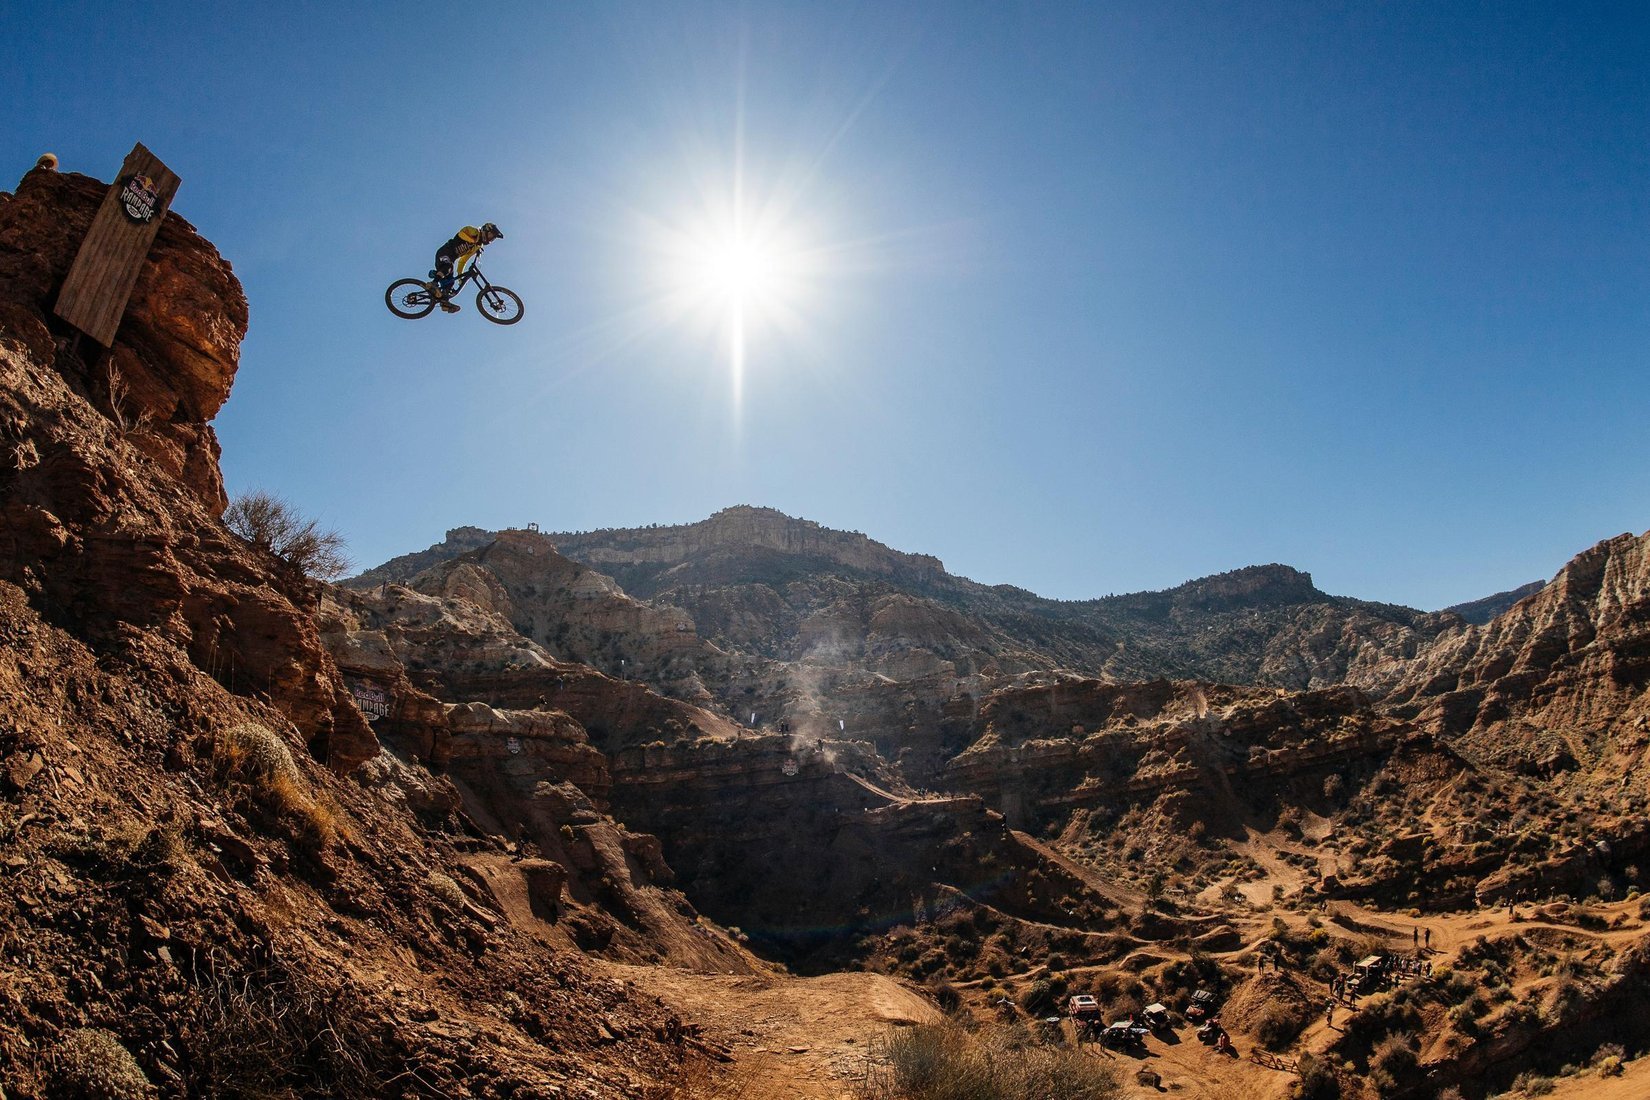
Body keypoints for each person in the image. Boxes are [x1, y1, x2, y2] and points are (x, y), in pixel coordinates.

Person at [429, 222, 504, 312]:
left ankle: (444, 303)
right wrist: (473, 241)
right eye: (491, 235)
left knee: (450, 283)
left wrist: (460, 276)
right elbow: (462, 234)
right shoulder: (473, 231)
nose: (490, 239)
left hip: (451, 259)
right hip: (445, 252)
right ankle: (433, 283)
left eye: (493, 239)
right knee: (448, 267)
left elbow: (462, 261)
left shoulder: (476, 246)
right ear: (485, 230)